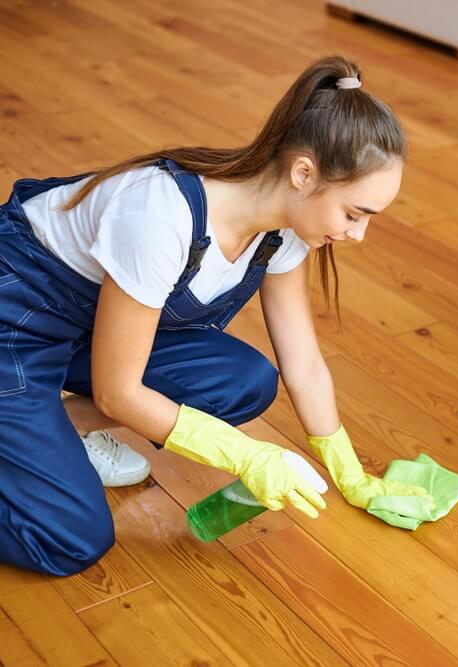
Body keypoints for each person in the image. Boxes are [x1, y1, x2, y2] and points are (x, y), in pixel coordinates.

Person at [0, 55, 429, 577]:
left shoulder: (281, 234)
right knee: (70, 539)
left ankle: (59, 433)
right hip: (16, 325)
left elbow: (305, 366)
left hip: (90, 329)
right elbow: (118, 391)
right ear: (303, 173)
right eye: (354, 214)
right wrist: (245, 455)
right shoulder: (161, 215)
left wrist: (350, 474)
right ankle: (30, 438)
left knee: (244, 381)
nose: (358, 235)